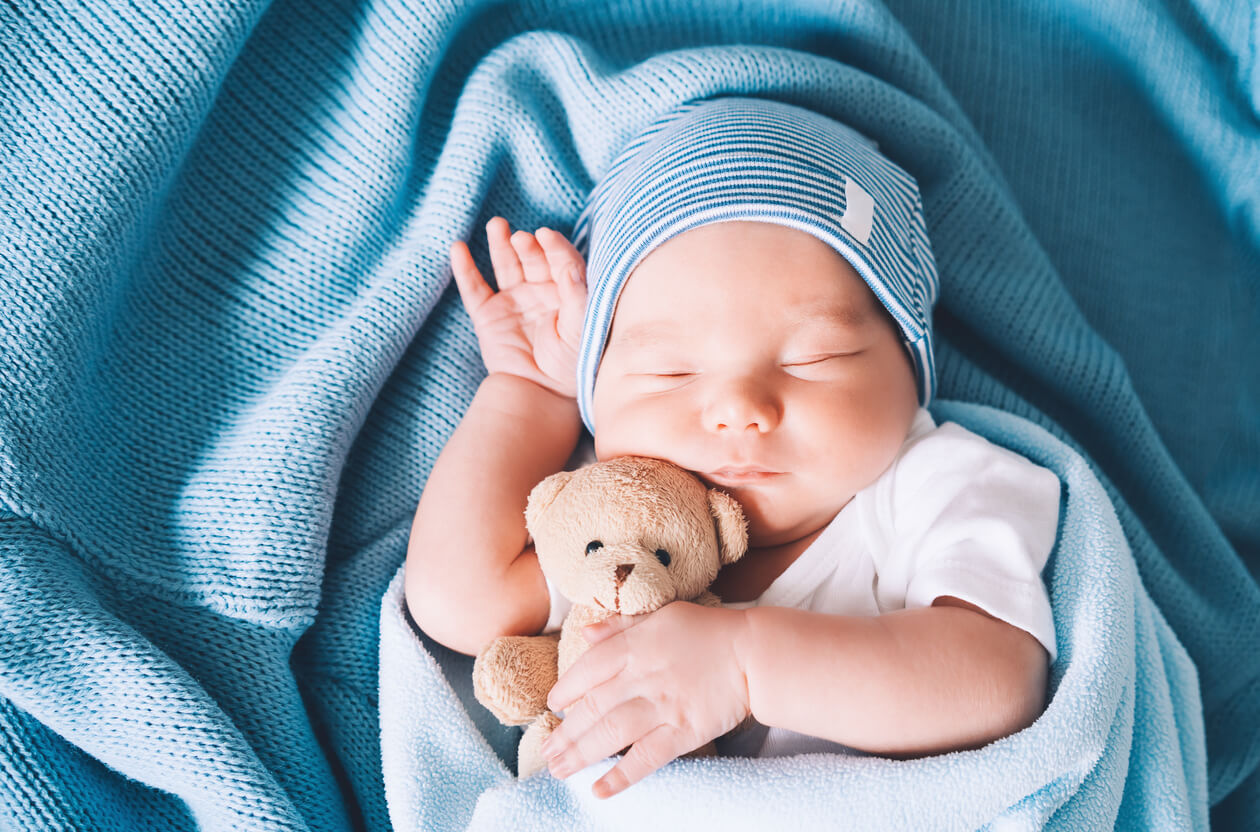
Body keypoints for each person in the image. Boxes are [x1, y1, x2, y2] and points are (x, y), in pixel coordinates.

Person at [406, 97, 1061, 801]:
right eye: (669, 372)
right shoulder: (620, 529)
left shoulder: (933, 485)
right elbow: (457, 599)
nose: (739, 410)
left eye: (816, 357)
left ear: (910, 369)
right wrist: (532, 394)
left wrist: (748, 664)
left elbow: (1000, 678)